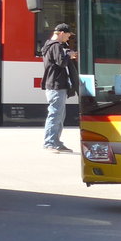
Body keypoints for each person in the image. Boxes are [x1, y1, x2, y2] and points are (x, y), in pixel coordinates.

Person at [40, 23, 78, 152]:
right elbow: (61, 62)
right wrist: (70, 55)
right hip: (56, 85)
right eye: (67, 36)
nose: (68, 39)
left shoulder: (49, 44)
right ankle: (50, 143)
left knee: (59, 115)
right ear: (61, 33)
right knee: (55, 114)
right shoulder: (55, 46)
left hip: (55, 84)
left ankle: (56, 142)